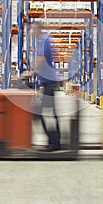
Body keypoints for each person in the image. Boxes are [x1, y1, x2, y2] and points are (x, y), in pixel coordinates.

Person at [33, 22, 61, 151]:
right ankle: (55, 141)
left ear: (38, 29)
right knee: (49, 113)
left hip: (48, 82)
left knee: (41, 113)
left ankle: (54, 142)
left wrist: (30, 72)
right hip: (48, 81)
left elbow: (41, 59)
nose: (31, 32)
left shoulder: (43, 41)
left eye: (33, 29)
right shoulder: (47, 39)